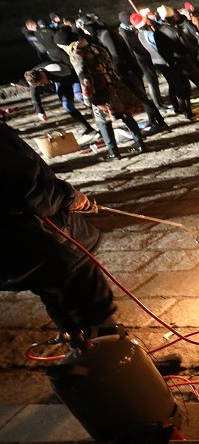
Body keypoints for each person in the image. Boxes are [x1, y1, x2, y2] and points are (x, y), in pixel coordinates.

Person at [0, 122, 116, 340]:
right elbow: (27, 190)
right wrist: (70, 196)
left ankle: (81, 352)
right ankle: (121, 366)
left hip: (18, 251)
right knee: (90, 302)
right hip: (36, 241)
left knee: (54, 292)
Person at [56, 27, 147, 160]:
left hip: (101, 92)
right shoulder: (95, 46)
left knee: (102, 122)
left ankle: (113, 151)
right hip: (117, 85)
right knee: (126, 114)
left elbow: (84, 77)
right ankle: (140, 143)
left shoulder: (77, 54)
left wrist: (87, 97)